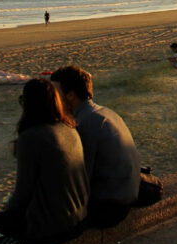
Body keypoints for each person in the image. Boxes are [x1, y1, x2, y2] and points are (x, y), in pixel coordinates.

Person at [0, 79, 88, 244]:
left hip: (53, 227)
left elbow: (23, 193)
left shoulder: (32, 137)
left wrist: (7, 209)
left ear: (29, 104)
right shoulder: (69, 128)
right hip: (79, 219)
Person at [50, 66, 141, 229]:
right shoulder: (105, 113)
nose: (52, 98)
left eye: (55, 93)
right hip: (127, 194)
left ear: (70, 95)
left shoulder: (84, 124)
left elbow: (80, 180)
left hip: (110, 207)